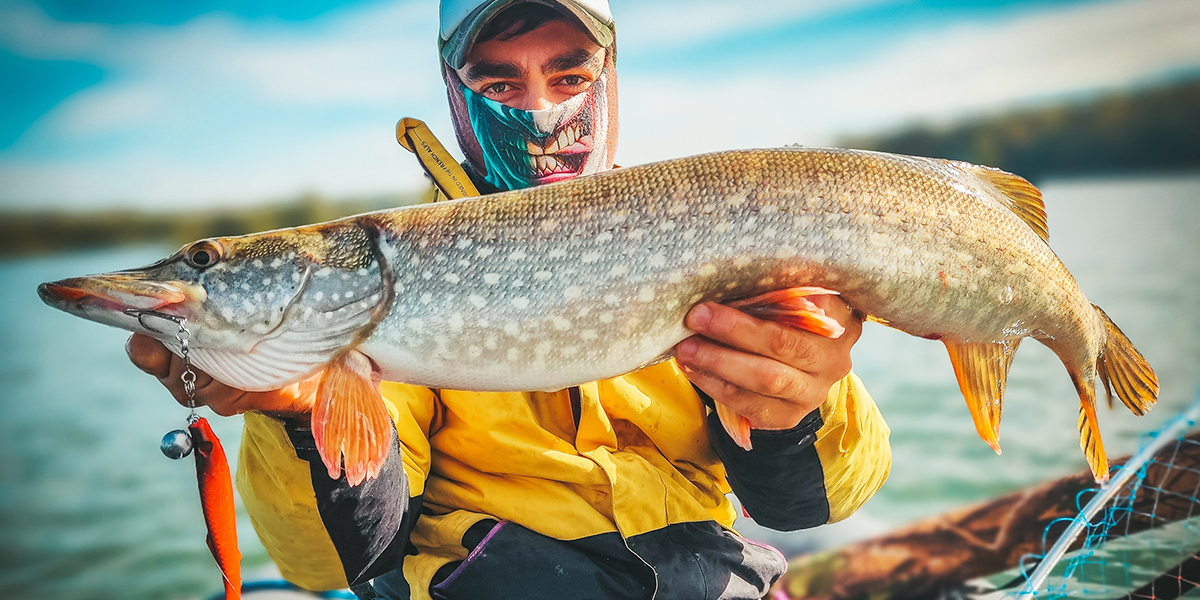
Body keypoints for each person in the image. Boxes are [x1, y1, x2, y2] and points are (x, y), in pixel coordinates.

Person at [127, 1, 892, 598]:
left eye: (569, 77)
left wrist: (796, 411)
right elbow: (324, 563)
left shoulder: (706, 232)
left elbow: (823, 501)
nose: (540, 114)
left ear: (611, 80)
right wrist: (299, 422)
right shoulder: (388, 276)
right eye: (499, 83)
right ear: (456, 99)